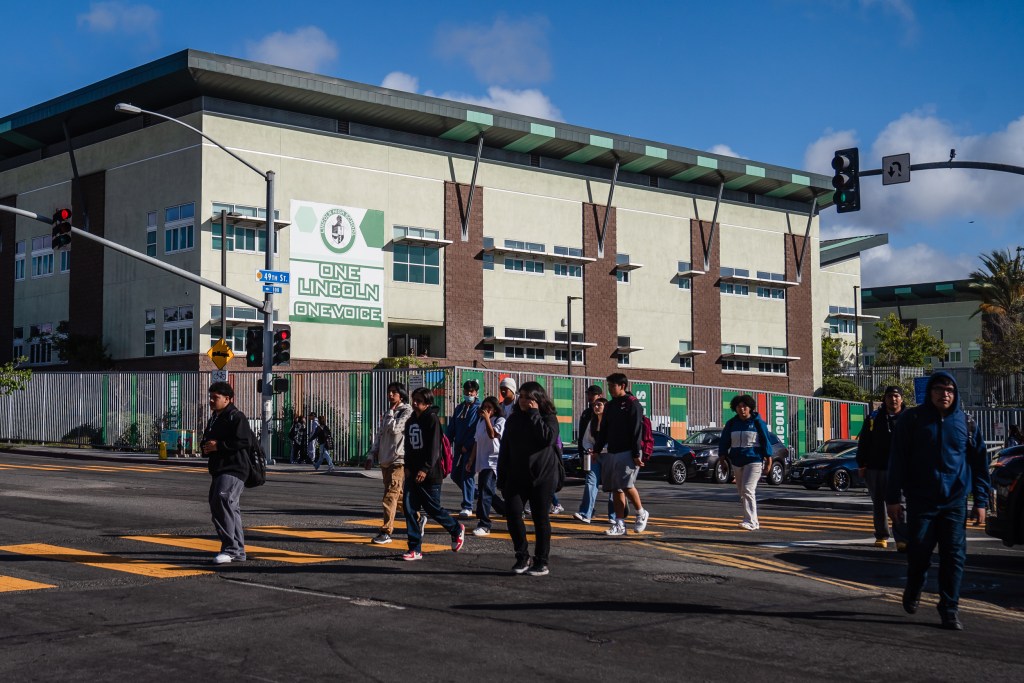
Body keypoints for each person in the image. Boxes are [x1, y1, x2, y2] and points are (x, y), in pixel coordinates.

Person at [887, 371, 989, 631]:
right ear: (929, 392)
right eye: (939, 389)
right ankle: (914, 586)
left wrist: (981, 501)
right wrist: (893, 499)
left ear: (955, 394)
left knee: (954, 557)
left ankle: (949, 609)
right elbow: (897, 461)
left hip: (954, 504)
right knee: (919, 553)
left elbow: (980, 465)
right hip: (921, 501)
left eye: (949, 390)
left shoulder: (966, 423)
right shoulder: (912, 420)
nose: (944, 394)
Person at [498, 381, 561, 575]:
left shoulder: (548, 417)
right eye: (522, 396)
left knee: (540, 518)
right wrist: (502, 477)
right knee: (513, 514)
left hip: (543, 476)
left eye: (528, 397)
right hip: (517, 475)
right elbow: (505, 449)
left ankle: (541, 561)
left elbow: (547, 439)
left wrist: (535, 415)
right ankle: (522, 555)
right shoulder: (514, 419)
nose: (524, 400)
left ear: (538, 398)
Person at [401, 387, 465, 561]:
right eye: (414, 399)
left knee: (433, 508)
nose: (415, 403)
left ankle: (456, 528)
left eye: (420, 400)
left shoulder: (432, 419)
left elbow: (434, 448)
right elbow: (408, 446)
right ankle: (415, 548)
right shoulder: (410, 421)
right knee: (408, 508)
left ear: (428, 403)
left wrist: (425, 468)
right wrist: (407, 466)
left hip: (430, 474)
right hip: (412, 472)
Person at [200, 381, 253, 564]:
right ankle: (237, 551)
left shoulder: (236, 417)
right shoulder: (214, 418)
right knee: (224, 507)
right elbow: (208, 440)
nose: (211, 401)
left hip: (234, 468)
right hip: (219, 469)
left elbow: (244, 441)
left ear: (228, 399)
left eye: (215, 398)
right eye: (211, 397)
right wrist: (205, 447)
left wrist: (219, 446)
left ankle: (231, 549)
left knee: (222, 502)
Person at [593, 373, 650, 536]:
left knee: (626, 484)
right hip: (613, 451)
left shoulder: (633, 404)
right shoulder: (610, 406)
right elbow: (603, 430)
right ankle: (620, 524)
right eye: (609, 385)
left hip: (628, 451)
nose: (610, 389)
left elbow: (636, 431)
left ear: (622, 386)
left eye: (613, 386)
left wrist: (635, 453)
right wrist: (597, 450)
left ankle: (641, 513)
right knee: (616, 489)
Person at [856, 385, 907, 550]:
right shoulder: (874, 417)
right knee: (879, 504)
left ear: (902, 399)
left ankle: (902, 538)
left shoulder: (909, 418)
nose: (893, 399)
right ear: (884, 399)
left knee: (900, 504)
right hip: (876, 468)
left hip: (900, 470)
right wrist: (862, 464)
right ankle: (882, 535)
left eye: (896, 396)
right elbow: (864, 442)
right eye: (890, 396)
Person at [368, 383, 414, 545]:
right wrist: (372, 453)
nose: (390, 395)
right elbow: (380, 434)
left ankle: (386, 531)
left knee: (389, 495)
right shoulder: (388, 413)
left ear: (401, 395)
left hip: (399, 459)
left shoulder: (407, 411)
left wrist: (391, 413)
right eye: (389, 392)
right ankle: (417, 518)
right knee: (397, 496)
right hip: (385, 459)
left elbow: (396, 429)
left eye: (394, 392)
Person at [720, 394, 773, 531]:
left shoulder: (757, 423)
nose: (742, 409)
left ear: (750, 408)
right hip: (737, 461)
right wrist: (722, 460)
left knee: (748, 489)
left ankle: (752, 522)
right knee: (741, 491)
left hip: (754, 460)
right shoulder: (732, 423)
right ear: (735, 408)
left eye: (744, 406)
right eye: (739, 406)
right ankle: (748, 519)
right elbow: (724, 442)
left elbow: (766, 441)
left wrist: (769, 460)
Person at [467, 396, 506, 536]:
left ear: (495, 409)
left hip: (493, 461)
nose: (486, 410)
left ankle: (484, 524)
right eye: (485, 407)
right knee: (487, 491)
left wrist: (488, 419)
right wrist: (471, 460)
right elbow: (477, 442)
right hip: (482, 462)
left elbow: (492, 435)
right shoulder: (480, 422)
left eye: (490, 407)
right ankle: (506, 510)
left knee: (484, 492)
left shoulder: (500, 421)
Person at [574, 395, 612, 524]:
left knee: (611, 486)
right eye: (595, 405)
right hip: (595, 456)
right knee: (590, 482)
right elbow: (587, 440)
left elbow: (614, 442)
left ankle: (613, 516)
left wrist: (599, 450)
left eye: (599, 405)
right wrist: (590, 449)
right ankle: (586, 513)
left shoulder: (611, 422)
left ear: (606, 407)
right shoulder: (592, 422)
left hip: (609, 456)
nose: (595, 407)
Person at [447, 379, 481, 518]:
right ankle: (476, 493)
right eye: (466, 391)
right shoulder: (459, 408)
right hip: (459, 447)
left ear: (476, 393)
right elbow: (452, 427)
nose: (469, 394)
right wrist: (446, 442)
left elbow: (477, 430)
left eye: (471, 392)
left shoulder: (479, 409)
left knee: (467, 475)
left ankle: (467, 506)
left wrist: (469, 445)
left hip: (471, 448)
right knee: (455, 474)